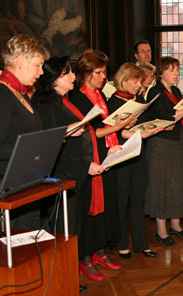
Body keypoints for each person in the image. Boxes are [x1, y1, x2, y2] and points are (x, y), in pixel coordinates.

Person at [32, 56, 97, 292]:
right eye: (66, 73)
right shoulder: (47, 105)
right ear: (53, 80)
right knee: (62, 232)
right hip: (64, 174)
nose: (72, 77)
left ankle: (67, 275)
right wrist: (82, 165)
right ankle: (61, 279)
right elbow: (52, 147)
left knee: (72, 230)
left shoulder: (61, 100)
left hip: (76, 172)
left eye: (71, 72)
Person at [69, 50, 128, 281]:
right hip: (91, 158)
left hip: (106, 155)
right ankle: (86, 258)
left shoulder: (99, 95)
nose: (104, 77)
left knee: (106, 209)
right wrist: (117, 127)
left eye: (105, 72)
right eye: (99, 73)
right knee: (90, 211)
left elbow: (104, 126)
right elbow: (90, 132)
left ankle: (100, 251)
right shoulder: (79, 98)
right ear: (86, 73)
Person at [0, 34, 49, 229]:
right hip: (8, 185)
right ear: (19, 62)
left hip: (25, 182)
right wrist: (36, 148)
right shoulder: (0, 95)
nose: (41, 72)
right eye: (37, 65)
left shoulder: (19, 93)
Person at [145, 56, 183, 246]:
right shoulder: (155, 92)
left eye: (177, 69)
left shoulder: (177, 91)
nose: (175, 73)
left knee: (178, 183)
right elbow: (165, 116)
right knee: (162, 185)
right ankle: (162, 231)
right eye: (171, 70)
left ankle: (176, 226)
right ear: (161, 73)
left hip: (177, 140)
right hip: (160, 144)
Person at [107, 62, 162, 258]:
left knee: (139, 199)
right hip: (122, 156)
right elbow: (115, 132)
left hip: (139, 153)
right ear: (124, 80)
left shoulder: (139, 99)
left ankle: (141, 243)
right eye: (136, 81)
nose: (140, 85)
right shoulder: (112, 102)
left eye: (140, 81)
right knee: (121, 200)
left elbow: (143, 124)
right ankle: (122, 242)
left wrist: (150, 129)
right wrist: (137, 133)